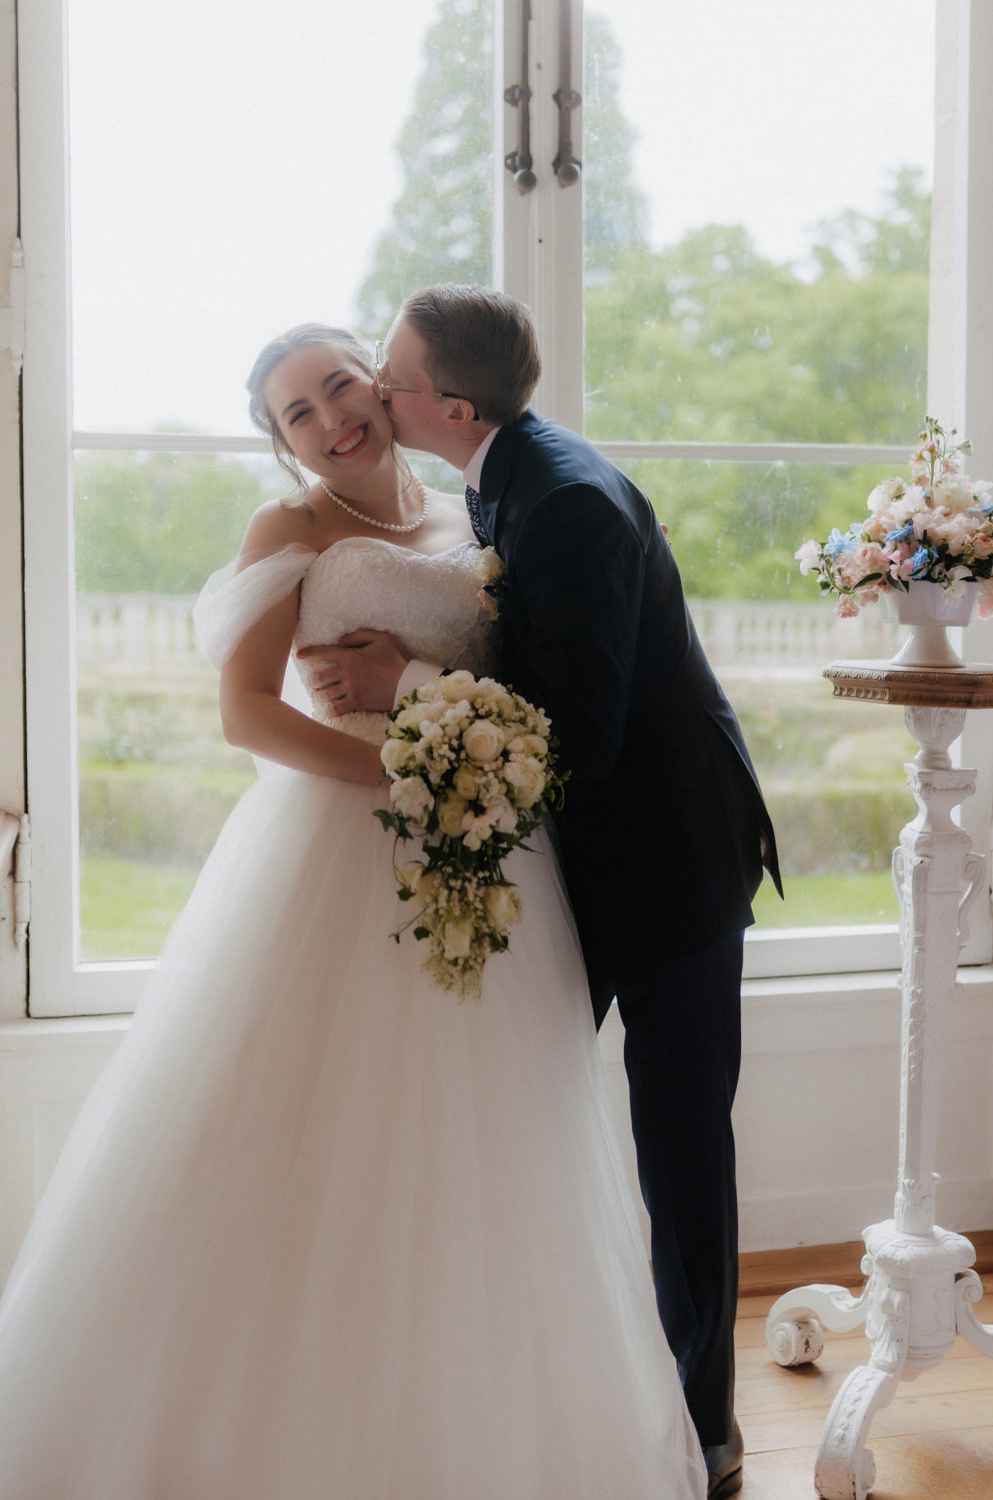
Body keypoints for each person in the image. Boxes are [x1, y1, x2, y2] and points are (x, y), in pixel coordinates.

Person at [0, 324, 708, 1500]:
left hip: (484, 849)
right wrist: (400, 771)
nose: (332, 419)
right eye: (298, 413)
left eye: (340, 386)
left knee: (488, 1138)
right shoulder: (291, 530)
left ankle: (468, 1414)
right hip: (339, 837)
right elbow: (246, 713)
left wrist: (454, 758)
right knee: (300, 1123)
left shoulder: (473, 515)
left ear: (381, 386)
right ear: (282, 444)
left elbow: (533, 681)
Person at [304, 287, 782, 1499]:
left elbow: (583, 730)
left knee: (679, 1146)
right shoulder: (502, 472)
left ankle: (705, 1429)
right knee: (516, 1117)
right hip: (584, 858)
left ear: (453, 409)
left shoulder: (563, 500)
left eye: (391, 375)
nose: (375, 387)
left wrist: (408, 685)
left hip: (669, 863)